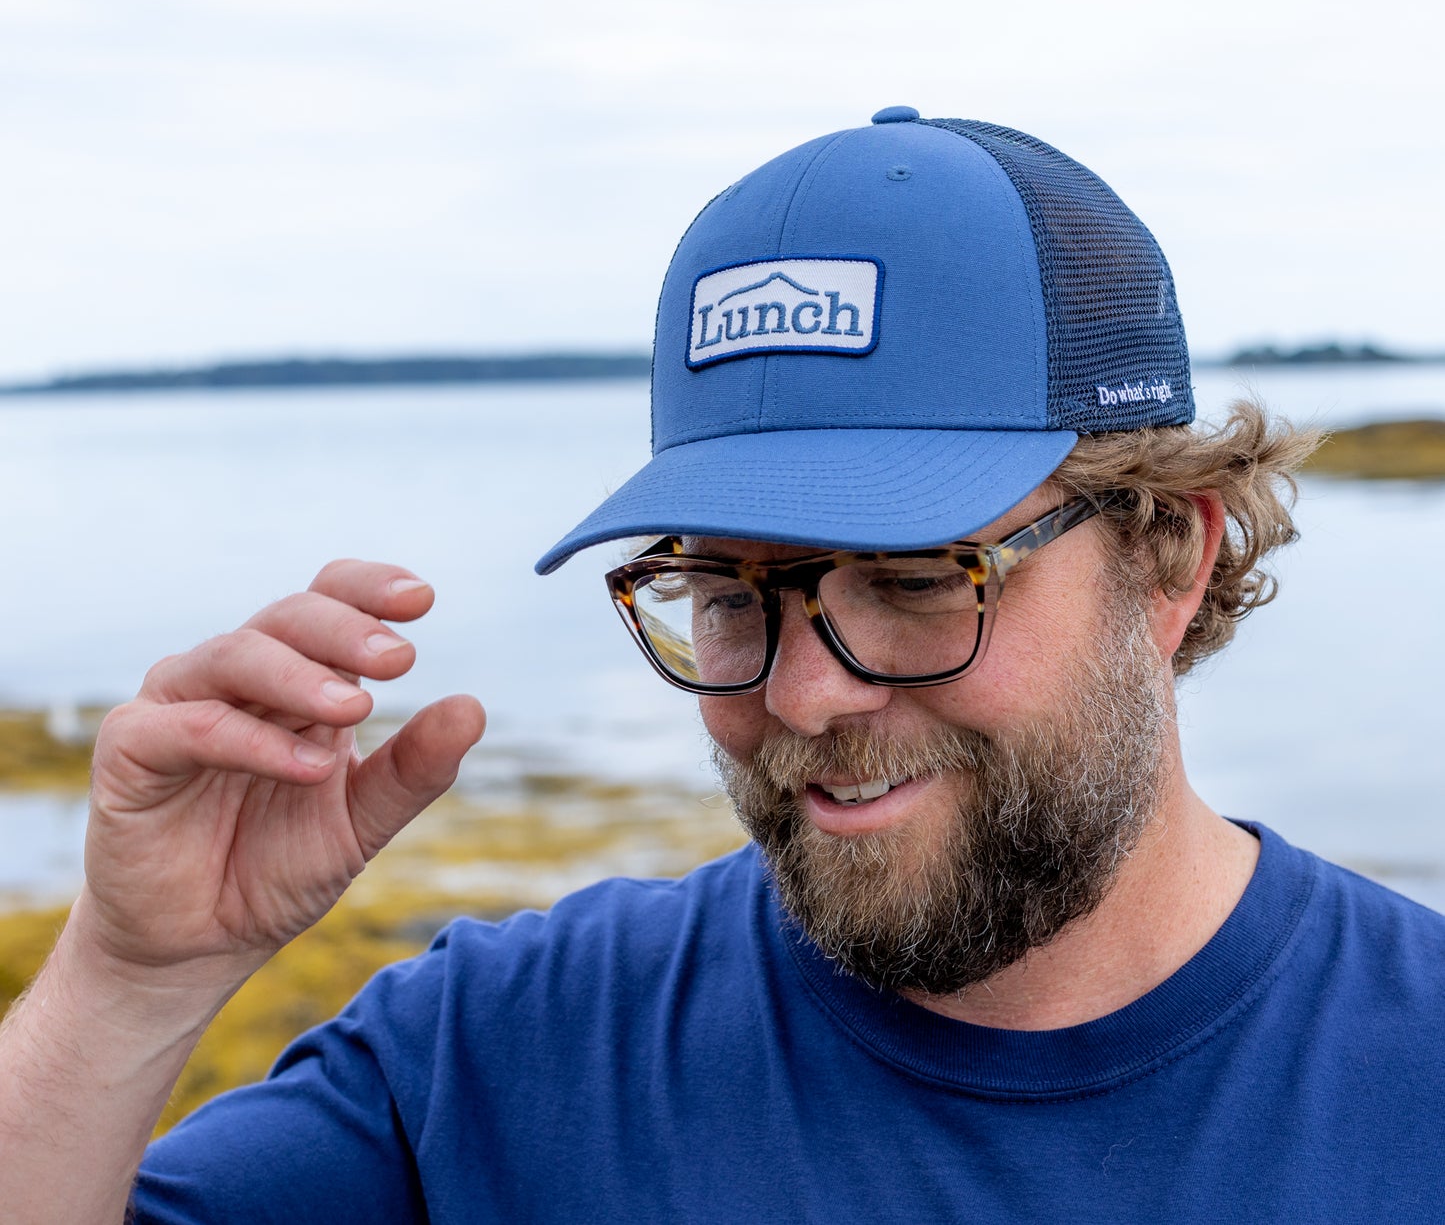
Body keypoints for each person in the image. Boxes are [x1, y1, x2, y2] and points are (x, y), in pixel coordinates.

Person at [3, 109, 1442, 1223]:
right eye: (727, 593)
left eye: (914, 580)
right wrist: (128, 984)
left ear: (1167, 562)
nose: (805, 697)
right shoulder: (502, 1062)